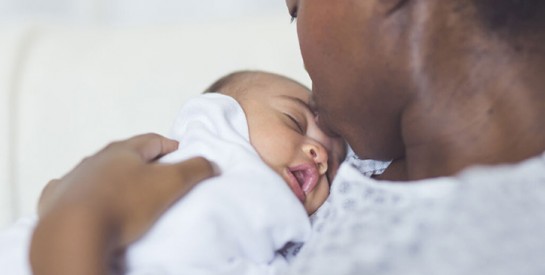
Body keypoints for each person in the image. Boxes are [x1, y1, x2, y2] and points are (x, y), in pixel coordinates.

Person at [30, 0, 545, 274]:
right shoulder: (355, 166)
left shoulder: (511, 235)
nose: (322, 154)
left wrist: (84, 212)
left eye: (298, 5)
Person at [2, 71, 345, 275]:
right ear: (219, 116)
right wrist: (84, 212)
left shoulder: (278, 238)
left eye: (333, 161)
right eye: (294, 122)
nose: (320, 156)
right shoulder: (203, 163)